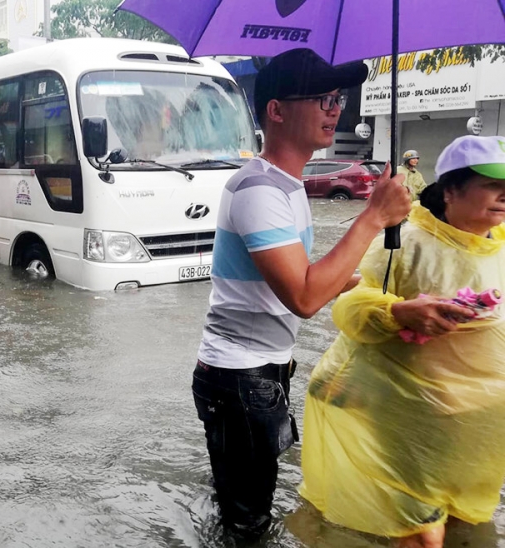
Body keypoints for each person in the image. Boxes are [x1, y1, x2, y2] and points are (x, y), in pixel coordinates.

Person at [191, 48, 412, 540]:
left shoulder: (286, 186)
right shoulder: (259, 190)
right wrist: (373, 216)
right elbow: (305, 297)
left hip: (257, 373)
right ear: (277, 110)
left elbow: (296, 279)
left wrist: (344, 279)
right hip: (240, 379)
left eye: (337, 98)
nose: (335, 109)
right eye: (321, 98)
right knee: (249, 525)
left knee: (239, 504)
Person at [299, 135, 505, 548]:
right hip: (401, 419)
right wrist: (397, 312)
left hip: (468, 427)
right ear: (451, 190)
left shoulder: (499, 248)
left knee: (463, 525)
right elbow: (350, 306)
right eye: (492, 184)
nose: (504, 196)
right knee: (422, 536)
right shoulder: (405, 243)